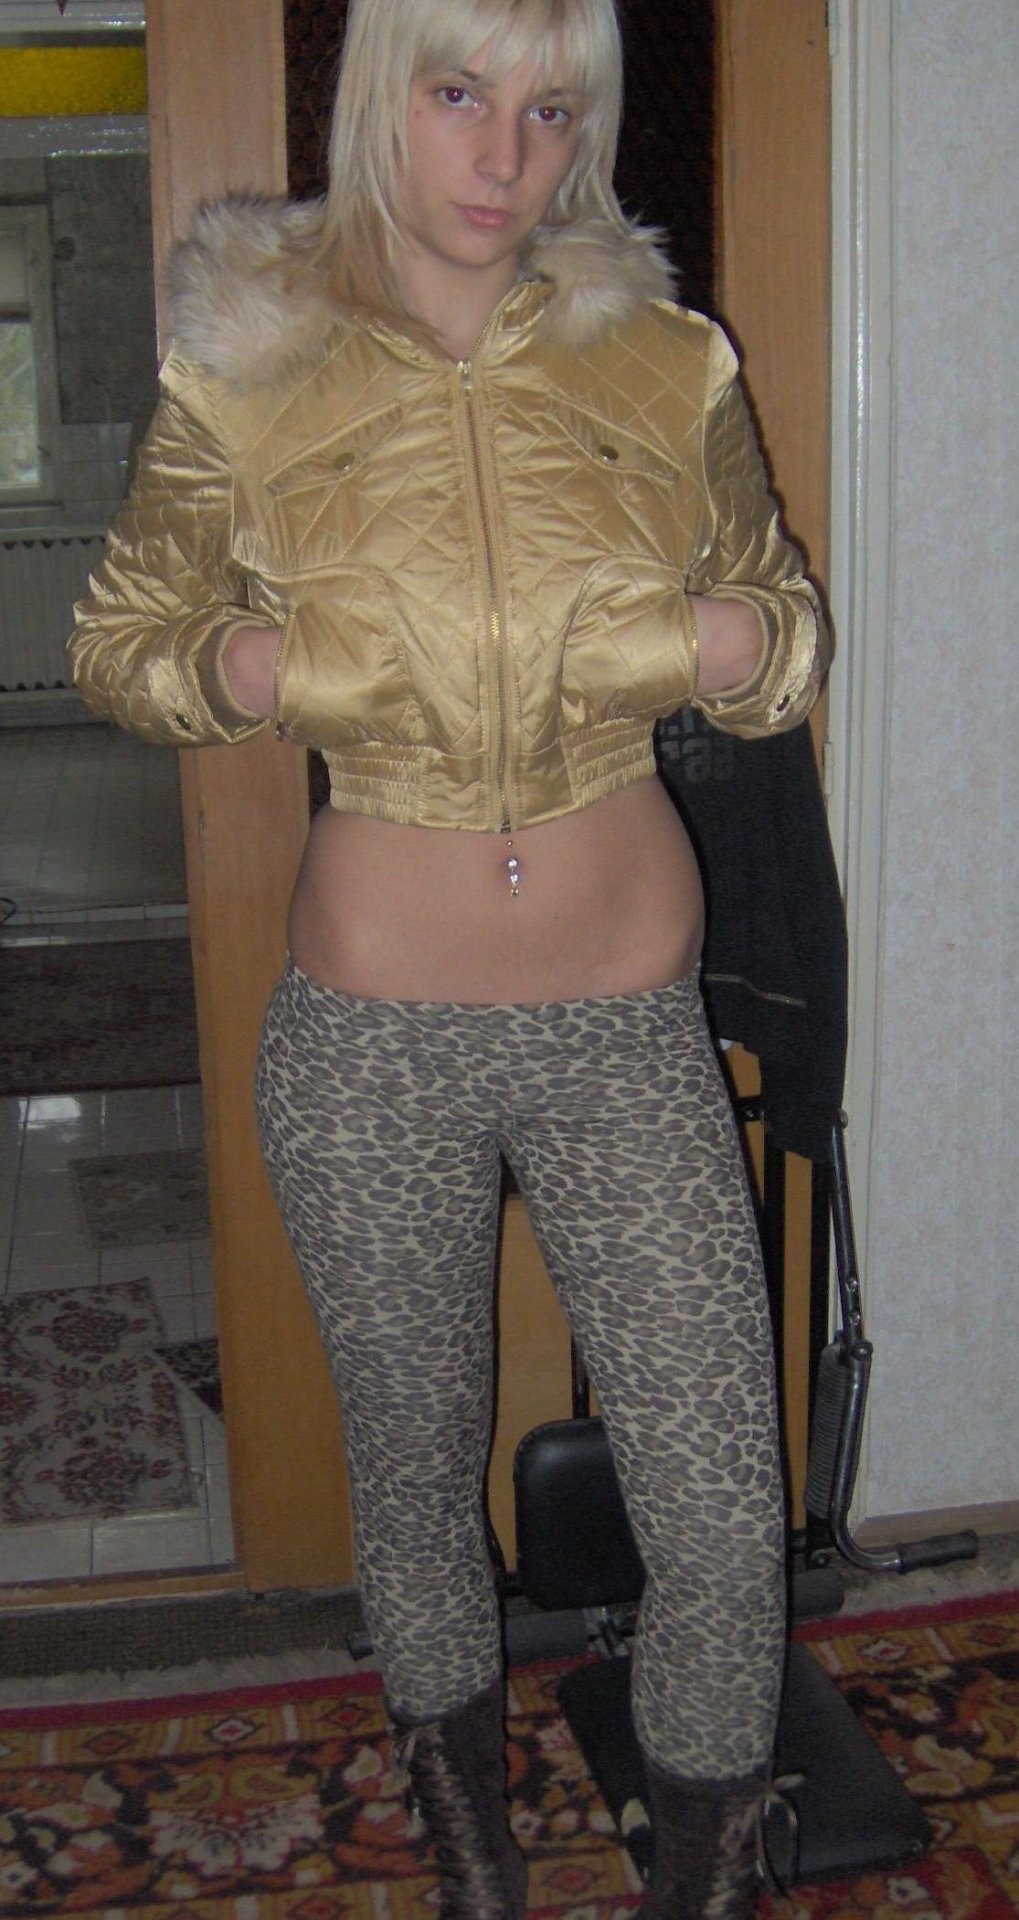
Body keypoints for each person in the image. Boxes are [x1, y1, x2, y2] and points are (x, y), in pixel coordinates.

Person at [70, 1, 830, 1913]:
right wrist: (263, 663)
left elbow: (780, 620)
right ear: (380, 98)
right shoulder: (252, 366)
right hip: (373, 1036)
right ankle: (475, 1856)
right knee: (414, 1475)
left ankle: (702, 1877)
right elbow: (123, 644)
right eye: (461, 93)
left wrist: (731, 644)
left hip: (624, 1025)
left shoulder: (663, 362)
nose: (505, 156)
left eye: (552, 107)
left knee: (721, 1502)